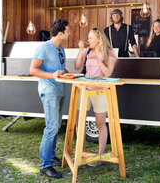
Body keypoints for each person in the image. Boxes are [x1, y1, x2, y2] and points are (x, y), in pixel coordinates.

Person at [29, 19, 70, 179]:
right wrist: (52, 75)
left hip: (60, 90)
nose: (70, 33)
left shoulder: (61, 49)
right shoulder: (43, 47)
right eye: (68, 30)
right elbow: (33, 69)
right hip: (49, 91)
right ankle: (44, 165)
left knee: (56, 125)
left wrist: (68, 72)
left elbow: (59, 68)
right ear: (60, 33)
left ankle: (51, 157)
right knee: (51, 126)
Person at [74, 28, 117, 166]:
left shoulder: (108, 53)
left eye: (91, 38)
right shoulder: (88, 51)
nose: (88, 40)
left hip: (100, 92)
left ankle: (100, 155)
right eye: (88, 38)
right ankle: (82, 152)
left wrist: (98, 59)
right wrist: (81, 50)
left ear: (99, 39)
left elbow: (108, 73)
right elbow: (77, 66)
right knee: (79, 122)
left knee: (100, 124)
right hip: (85, 89)